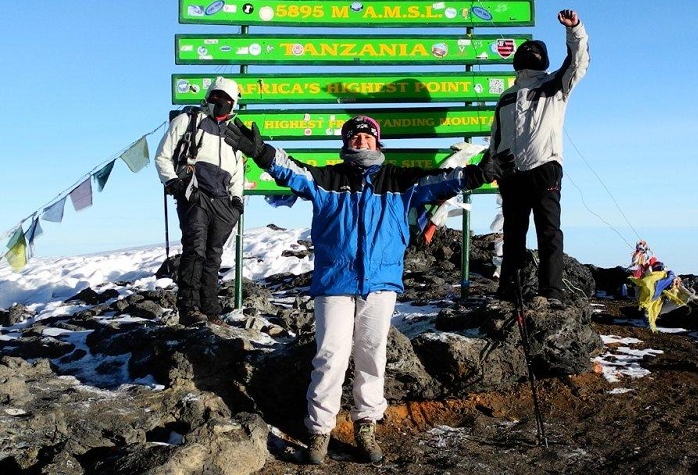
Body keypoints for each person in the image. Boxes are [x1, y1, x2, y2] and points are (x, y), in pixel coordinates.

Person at [223, 114, 513, 465]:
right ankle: (319, 431)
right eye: (354, 136)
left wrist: (477, 174)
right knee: (330, 356)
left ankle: (366, 425)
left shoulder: (400, 180)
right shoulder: (328, 178)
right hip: (334, 282)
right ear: (346, 144)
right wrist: (260, 151)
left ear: (378, 142)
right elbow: (291, 170)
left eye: (367, 135)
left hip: (380, 283)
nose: (361, 140)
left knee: (372, 356)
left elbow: (441, 182)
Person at [489, 9, 590, 308]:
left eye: (535, 52)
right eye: (526, 52)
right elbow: (496, 134)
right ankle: (509, 289)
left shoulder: (555, 84)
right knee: (513, 232)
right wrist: (492, 165)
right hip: (511, 173)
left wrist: (575, 30)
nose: (530, 55)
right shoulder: (506, 96)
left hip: (545, 165)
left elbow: (578, 62)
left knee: (548, 231)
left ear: (543, 61)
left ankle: (552, 291)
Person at [155, 76, 245, 327]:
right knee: (195, 250)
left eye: (226, 99)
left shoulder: (233, 133)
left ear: (234, 103)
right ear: (208, 96)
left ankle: (211, 310)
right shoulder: (188, 121)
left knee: (213, 256)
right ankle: (189, 309)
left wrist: (236, 202)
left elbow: (238, 172)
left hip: (223, 201)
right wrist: (172, 182)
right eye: (216, 96)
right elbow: (163, 155)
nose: (220, 102)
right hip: (194, 194)